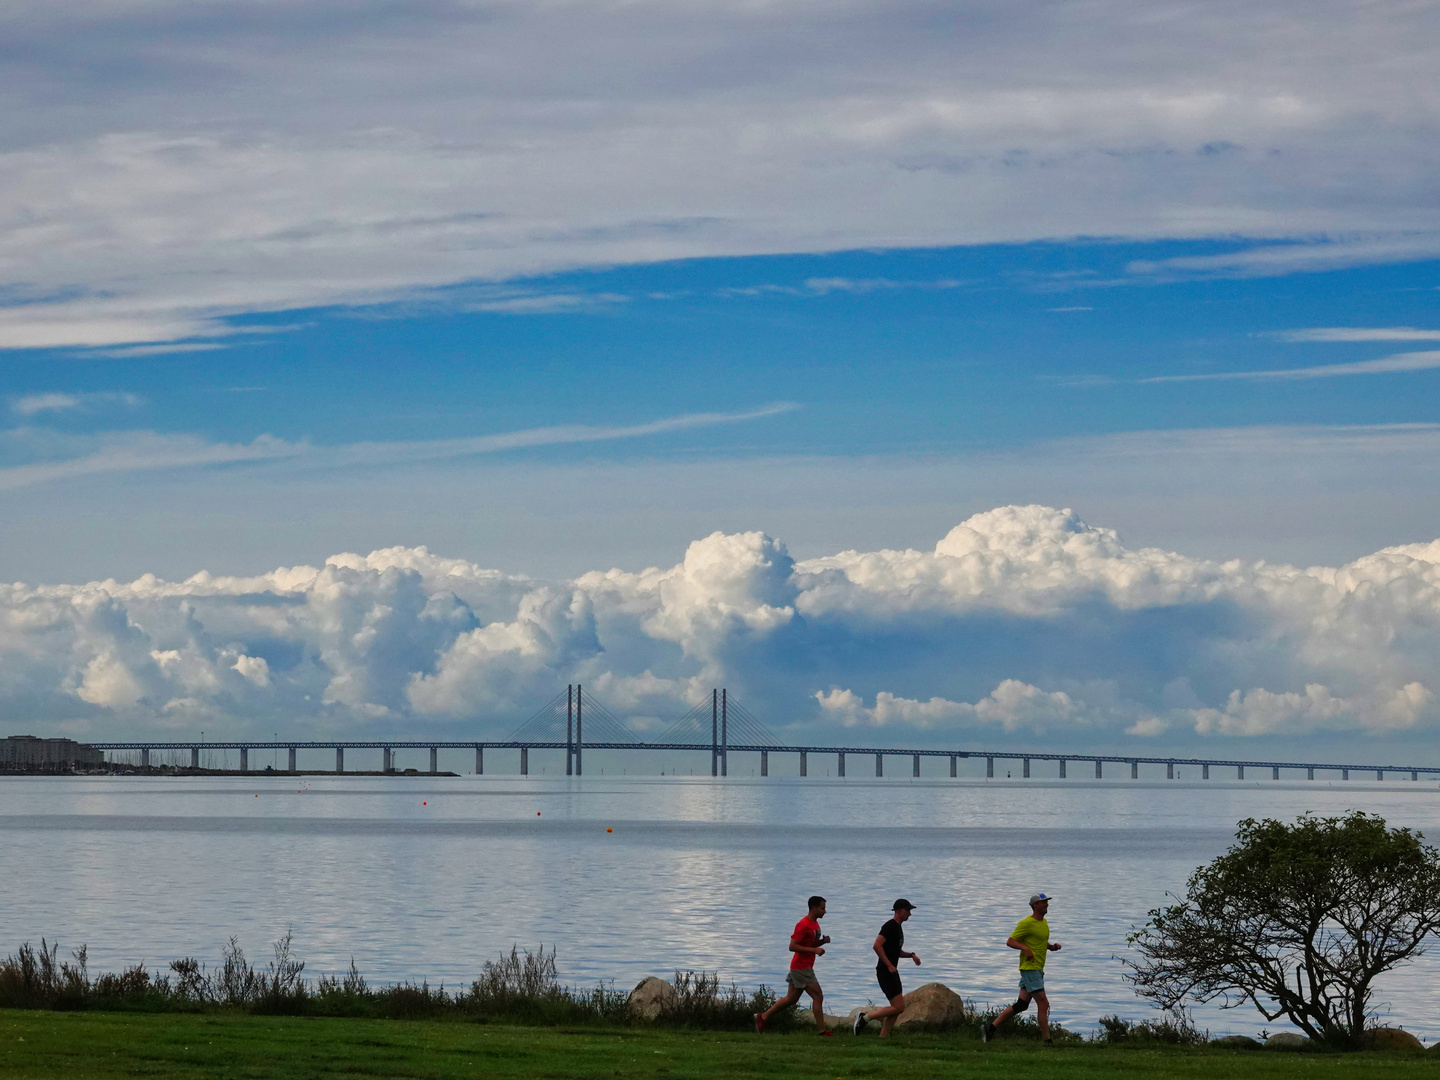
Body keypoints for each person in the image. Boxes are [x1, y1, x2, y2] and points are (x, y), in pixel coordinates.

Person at [982, 892, 1061, 1045]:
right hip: (1030, 969)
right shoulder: (1026, 923)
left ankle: (989, 1030)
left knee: (1021, 1005)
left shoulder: (1043, 923)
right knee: (1043, 1004)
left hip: (1037, 969)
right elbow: (1010, 941)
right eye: (1043, 902)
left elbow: (1039, 942)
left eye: (1047, 902)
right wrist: (1026, 949)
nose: (1047, 904)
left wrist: (1051, 947)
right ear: (1035, 905)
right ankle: (1048, 1042)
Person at [755, 895, 833, 1035]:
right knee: (818, 997)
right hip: (802, 967)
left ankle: (763, 1017)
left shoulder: (815, 924)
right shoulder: (803, 924)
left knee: (791, 999)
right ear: (814, 908)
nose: (825, 911)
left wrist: (822, 942)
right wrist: (815, 950)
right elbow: (792, 946)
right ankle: (822, 1031)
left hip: (802, 966)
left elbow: (808, 944)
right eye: (822, 908)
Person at [853, 899, 921, 1036]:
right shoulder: (889, 926)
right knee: (899, 1007)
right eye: (908, 911)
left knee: (897, 1007)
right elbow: (877, 945)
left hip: (892, 971)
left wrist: (911, 955)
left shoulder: (898, 928)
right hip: (885, 971)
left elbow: (896, 951)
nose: (910, 914)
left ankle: (883, 1037)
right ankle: (864, 1019)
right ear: (900, 910)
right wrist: (889, 965)